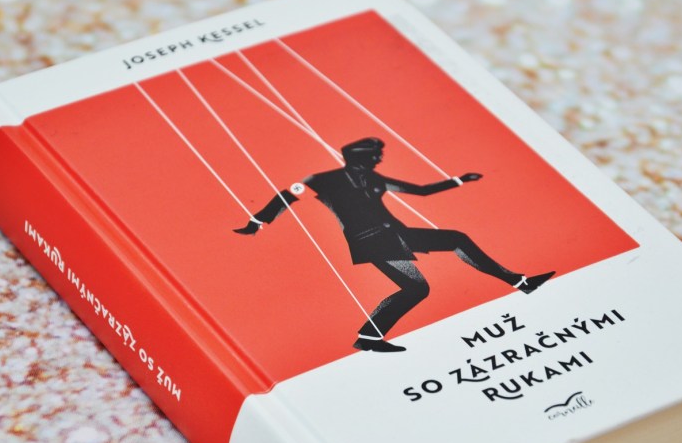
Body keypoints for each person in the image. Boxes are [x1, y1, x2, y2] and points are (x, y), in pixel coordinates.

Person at [234, 137, 554, 352]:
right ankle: (369, 336)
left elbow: (422, 191)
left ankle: (520, 282)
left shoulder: (376, 178)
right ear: (363, 156)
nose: (380, 158)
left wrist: (459, 180)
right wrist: (257, 222)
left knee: (457, 239)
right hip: (371, 241)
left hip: (399, 233)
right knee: (416, 289)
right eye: (377, 155)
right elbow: (287, 195)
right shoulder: (321, 180)